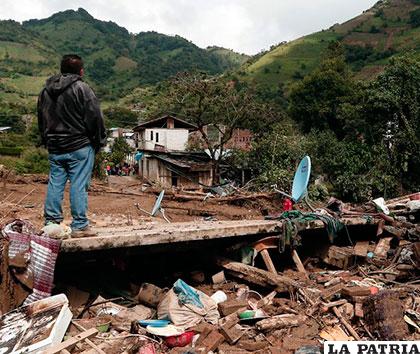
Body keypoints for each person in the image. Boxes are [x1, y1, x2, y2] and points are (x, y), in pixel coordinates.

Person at [38, 54, 106, 237]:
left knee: (55, 183)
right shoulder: (82, 88)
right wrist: (98, 141)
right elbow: (95, 118)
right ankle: (80, 226)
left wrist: (47, 140)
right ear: (81, 71)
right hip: (79, 146)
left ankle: (51, 224)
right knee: (78, 184)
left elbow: (41, 119)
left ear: (62, 70)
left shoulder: (45, 91)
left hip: (55, 147)